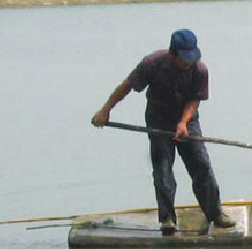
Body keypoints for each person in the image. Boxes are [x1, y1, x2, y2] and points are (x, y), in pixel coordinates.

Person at [91, 29, 235, 235]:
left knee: (201, 165)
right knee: (163, 168)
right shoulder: (152, 64)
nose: (188, 63)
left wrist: (183, 122)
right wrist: (105, 111)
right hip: (158, 118)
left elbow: (195, 100)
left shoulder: (200, 70)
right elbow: (126, 86)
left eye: (191, 58)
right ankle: (167, 218)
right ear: (172, 53)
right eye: (184, 59)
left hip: (187, 119)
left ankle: (215, 214)